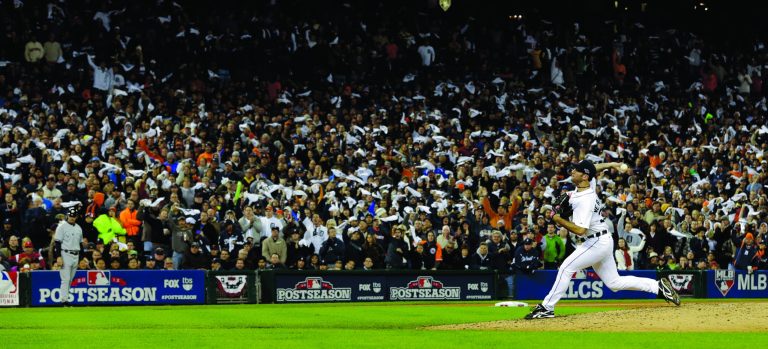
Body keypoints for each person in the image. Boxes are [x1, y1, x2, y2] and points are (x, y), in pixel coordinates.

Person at [526, 160, 679, 320]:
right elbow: (593, 168)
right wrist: (612, 164)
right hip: (601, 239)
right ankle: (657, 286)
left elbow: (580, 230)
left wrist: (558, 219)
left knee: (566, 268)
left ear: (584, 176)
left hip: (595, 242)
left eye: (576, 171)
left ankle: (547, 307)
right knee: (614, 283)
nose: (572, 172)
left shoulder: (585, 200)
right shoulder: (587, 185)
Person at [54, 206, 83, 306]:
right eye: (70, 216)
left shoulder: (79, 228)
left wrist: (82, 258)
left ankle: (65, 298)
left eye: (74, 216)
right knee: (65, 279)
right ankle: (64, 300)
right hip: (65, 253)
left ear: (76, 217)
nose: (72, 218)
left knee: (70, 279)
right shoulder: (62, 226)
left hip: (76, 254)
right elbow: (57, 243)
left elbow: (81, 244)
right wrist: (58, 257)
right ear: (67, 216)